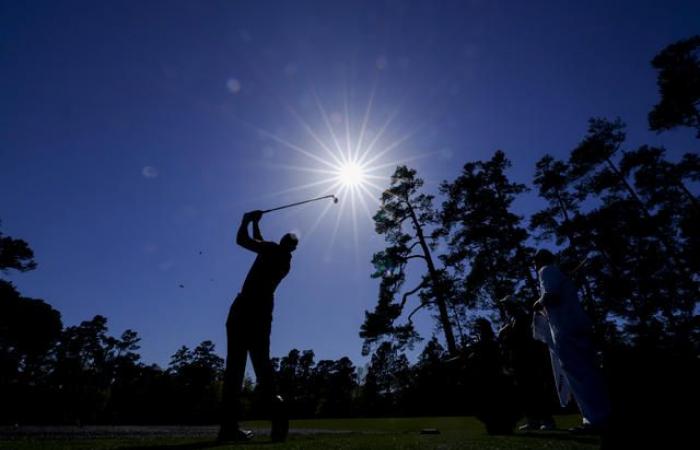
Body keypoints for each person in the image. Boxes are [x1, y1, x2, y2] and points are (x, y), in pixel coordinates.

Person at [218, 210, 298, 442]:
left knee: (235, 370)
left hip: (244, 310)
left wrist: (245, 220)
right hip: (260, 313)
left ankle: (229, 428)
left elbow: (243, 241)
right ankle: (276, 422)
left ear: (286, 245)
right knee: (261, 368)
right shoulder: (281, 259)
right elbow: (261, 243)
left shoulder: (272, 250)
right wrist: (255, 223)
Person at [533, 249, 611, 434]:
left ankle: (594, 419)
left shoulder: (546, 270)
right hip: (577, 326)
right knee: (589, 371)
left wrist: (538, 302)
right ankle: (603, 415)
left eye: (536, 261)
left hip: (565, 330)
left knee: (578, 373)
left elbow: (552, 296)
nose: (535, 264)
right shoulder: (557, 273)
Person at [497, 295, 557, 431]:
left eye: (507, 305)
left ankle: (547, 420)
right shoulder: (512, 319)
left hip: (528, 360)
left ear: (513, 305)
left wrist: (504, 335)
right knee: (525, 392)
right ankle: (533, 420)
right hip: (518, 360)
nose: (505, 308)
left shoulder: (521, 317)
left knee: (535, 390)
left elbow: (518, 337)